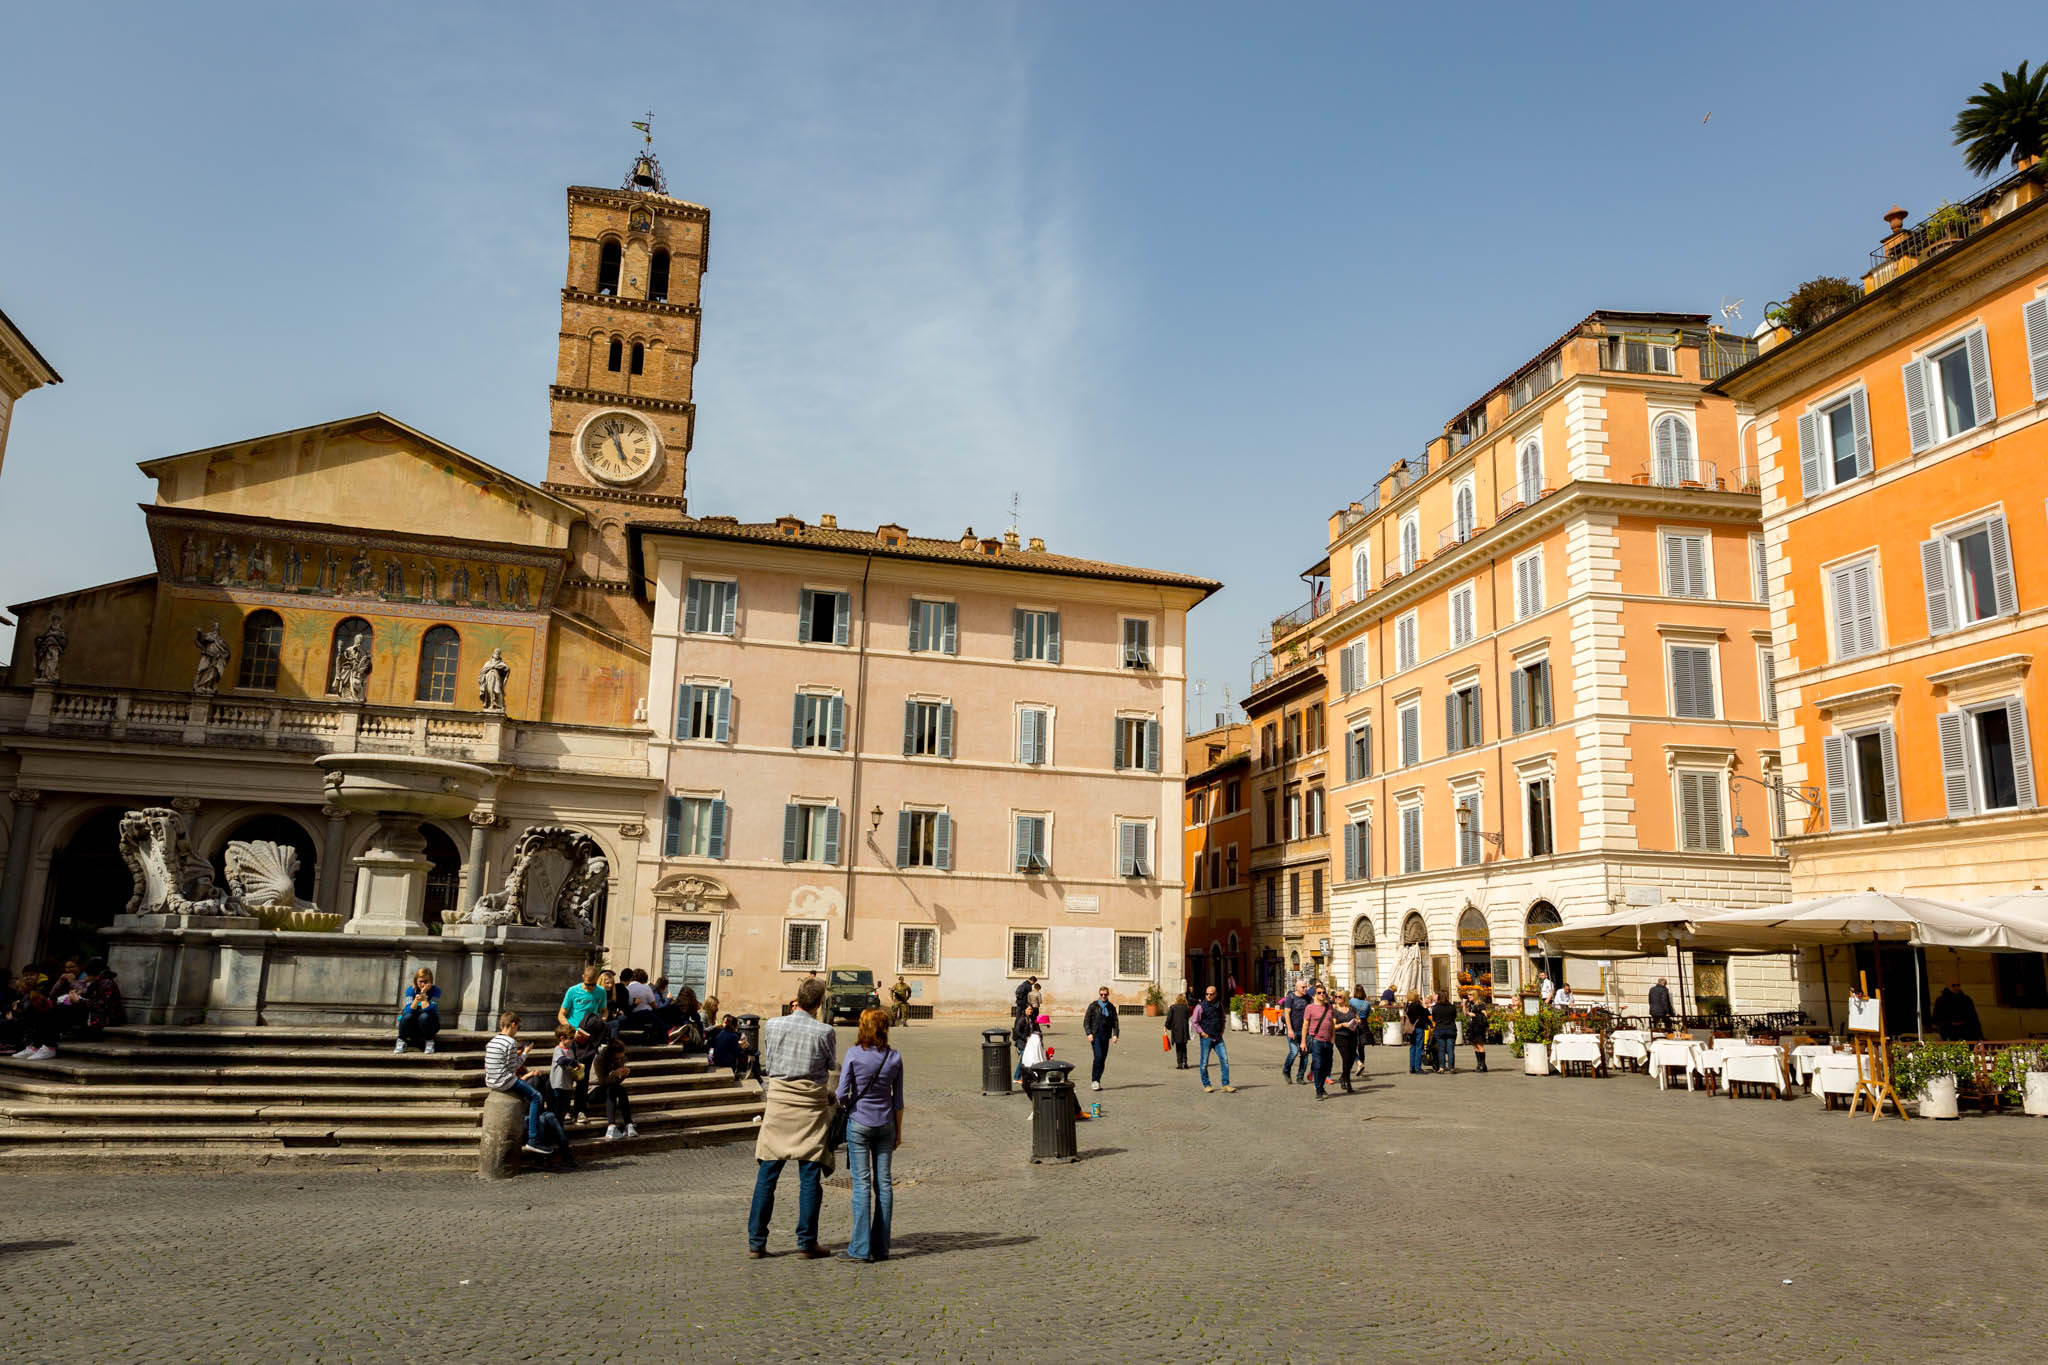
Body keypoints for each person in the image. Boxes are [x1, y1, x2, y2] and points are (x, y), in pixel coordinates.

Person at [748, 977, 838, 1259]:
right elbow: (829, 1065)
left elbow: (771, 1062)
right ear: (819, 1004)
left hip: (779, 1102)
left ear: (797, 998)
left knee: (768, 1172)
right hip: (809, 1105)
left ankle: (756, 1242)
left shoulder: (773, 1025)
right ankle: (806, 1242)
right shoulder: (825, 1031)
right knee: (810, 1174)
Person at [835, 1007, 905, 1263]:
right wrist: (898, 1132)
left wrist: (851, 1101)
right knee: (884, 1184)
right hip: (886, 1123)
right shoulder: (894, 1057)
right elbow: (898, 1100)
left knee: (862, 1184)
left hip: (859, 1123)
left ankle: (860, 1249)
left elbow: (841, 1094)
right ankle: (881, 1247)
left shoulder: (854, 1054)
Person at [483, 1011, 567, 1162]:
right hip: (504, 1080)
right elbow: (514, 1067)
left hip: (491, 1080)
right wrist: (525, 1053)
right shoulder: (510, 1043)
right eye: (518, 1028)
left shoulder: (492, 1041)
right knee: (536, 1097)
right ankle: (533, 1139)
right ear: (513, 1024)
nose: (517, 1031)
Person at [558, 964, 607, 1120]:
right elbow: (561, 1014)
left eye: (593, 985)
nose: (590, 987)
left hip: (589, 1039)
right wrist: (571, 1030)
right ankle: (564, 1109)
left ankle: (580, 1110)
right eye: (587, 984)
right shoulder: (573, 991)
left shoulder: (601, 992)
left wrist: (602, 1021)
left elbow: (604, 1010)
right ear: (582, 978)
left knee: (583, 1076)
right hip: (573, 1037)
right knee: (568, 1073)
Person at [592, 1036, 638, 1140]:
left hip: (609, 1089)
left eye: (622, 1057)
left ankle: (628, 1124)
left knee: (620, 1089)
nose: (620, 1060)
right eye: (618, 1058)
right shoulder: (599, 1059)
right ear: (611, 1055)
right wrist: (614, 1075)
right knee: (612, 1089)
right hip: (593, 1090)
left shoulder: (619, 1059)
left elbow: (616, 1083)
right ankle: (611, 1126)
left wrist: (623, 1075)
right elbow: (603, 1082)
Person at [1192, 985, 1235, 1093]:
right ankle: (1207, 1085)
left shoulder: (1219, 1005)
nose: (1209, 996)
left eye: (1211, 994)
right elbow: (1194, 1021)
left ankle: (1225, 1084)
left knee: (1224, 1060)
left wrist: (1222, 1029)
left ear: (1215, 994)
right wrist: (1202, 1033)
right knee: (1204, 1063)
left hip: (1218, 1037)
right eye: (1207, 994)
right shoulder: (1200, 1006)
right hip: (1206, 1038)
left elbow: (1223, 1018)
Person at [1301, 985, 1337, 1100]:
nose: (1322, 994)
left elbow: (1332, 1024)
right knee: (1318, 1065)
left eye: (1324, 992)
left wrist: (1333, 1038)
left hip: (1328, 1040)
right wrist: (1303, 1042)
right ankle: (1318, 1090)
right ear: (1315, 995)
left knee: (1327, 1066)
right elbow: (1305, 1025)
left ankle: (1321, 1087)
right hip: (1316, 1040)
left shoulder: (1329, 1007)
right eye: (1319, 993)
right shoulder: (1309, 1007)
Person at [395, 967, 441, 1054]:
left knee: (424, 1016)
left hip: (430, 1026)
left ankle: (429, 1041)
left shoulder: (435, 990)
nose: (423, 984)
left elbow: (430, 1010)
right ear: (416, 981)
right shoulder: (411, 990)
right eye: (421, 981)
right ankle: (401, 1040)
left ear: (430, 981)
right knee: (407, 1016)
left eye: (426, 981)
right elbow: (408, 1011)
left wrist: (423, 994)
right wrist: (416, 1000)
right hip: (412, 1027)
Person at [1082, 986, 1120, 1091]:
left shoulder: (1111, 1007)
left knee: (1102, 1059)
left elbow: (1115, 1022)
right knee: (1098, 1056)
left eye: (1105, 994)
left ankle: (1098, 1080)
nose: (1103, 996)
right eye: (1101, 994)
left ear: (1108, 995)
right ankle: (1094, 1081)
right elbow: (1086, 1021)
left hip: (1105, 1036)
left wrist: (1115, 1034)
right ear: (1099, 994)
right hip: (1095, 1035)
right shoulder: (1093, 1006)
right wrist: (1089, 1033)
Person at [548, 1024, 583, 1125]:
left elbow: (571, 1065)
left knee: (563, 1108)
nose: (573, 1040)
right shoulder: (558, 1049)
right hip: (557, 1085)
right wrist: (574, 1063)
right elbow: (562, 1060)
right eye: (571, 1038)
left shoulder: (570, 1051)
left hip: (567, 1085)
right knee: (556, 1108)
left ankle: (562, 1120)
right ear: (562, 1038)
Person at [1280, 980, 1313, 1084]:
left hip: (1305, 1031)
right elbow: (1287, 1014)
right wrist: (1290, 1029)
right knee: (1294, 1052)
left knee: (1304, 1053)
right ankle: (1286, 1070)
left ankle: (1300, 1077)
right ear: (1297, 987)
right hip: (1293, 1030)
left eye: (1306, 987)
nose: (1305, 989)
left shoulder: (1308, 998)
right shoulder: (1291, 997)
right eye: (1303, 987)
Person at [709, 1014, 758, 1082]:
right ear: (734, 1026)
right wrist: (742, 1047)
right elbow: (736, 1052)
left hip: (716, 1060)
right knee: (752, 1054)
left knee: (750, 1053)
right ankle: (758, 1077)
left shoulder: (721, 1032)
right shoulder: (733, 1036)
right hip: (725, 1062)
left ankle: (756, 1076)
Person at [1330, 990, 1361, 1093]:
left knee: (1351, 1059)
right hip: (1340, 1036)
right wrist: (1343, 1025)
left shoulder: (1352, 1008)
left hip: (1352, 1035)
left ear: (1345, 998)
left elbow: (1358, 1019)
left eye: (1340, 997)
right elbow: (1333, 1026)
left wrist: (1356, 1021)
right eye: (1336, 997)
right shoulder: (1334, 1010)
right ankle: (1348, 1083)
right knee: (1346, 1058)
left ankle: (1343, 1077)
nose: (1337, 998)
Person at [1430, 992, 1459, 1073]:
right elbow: (1454, 1017)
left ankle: (1442, 1068)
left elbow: (1434, 1019)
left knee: (1441, 1050)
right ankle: (1451, 1068)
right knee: (1450, 1050)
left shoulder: (1435, 1008)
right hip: (1451, 1029)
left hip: (1440, 1029)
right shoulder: (1452, 1007)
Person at [1165, 992, 1192, 1069]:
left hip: (1176, 1029)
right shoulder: (1186, 1007)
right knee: (1184, 1046)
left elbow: (1169, 1018)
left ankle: (1179, 1064)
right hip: (1184, 1029)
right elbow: (1189, 1015)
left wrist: (1166, 1026)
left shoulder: (1173, 1007)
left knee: (1178, 1047)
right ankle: (1185, 1062)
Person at [1403, 992, 1429, 1075]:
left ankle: (1412, 1067)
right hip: (1419, 1027)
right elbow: (1427, 1014)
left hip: (1411, 1029)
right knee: (1419, 1047)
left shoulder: (1407, 1006)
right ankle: (1418, 1068)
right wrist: (1424, 1006)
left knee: (1413, 1047)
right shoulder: (1418, 1006)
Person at [1464, 995, 1490, 1073]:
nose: (1469, 997)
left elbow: (1485, 1016)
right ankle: (1479, 1064)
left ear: (1474, 996)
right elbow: (1465, 1014)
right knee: (1475, 1045)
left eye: (1470, 995)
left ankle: (1483, 1065)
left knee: (1480, 1045)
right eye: (1468, 995)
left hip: (1479, 1027)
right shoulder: (1471, 1005)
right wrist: (1464, 1005)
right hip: (1472, 1027)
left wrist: (1475, 1015)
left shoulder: (1480, 1005)